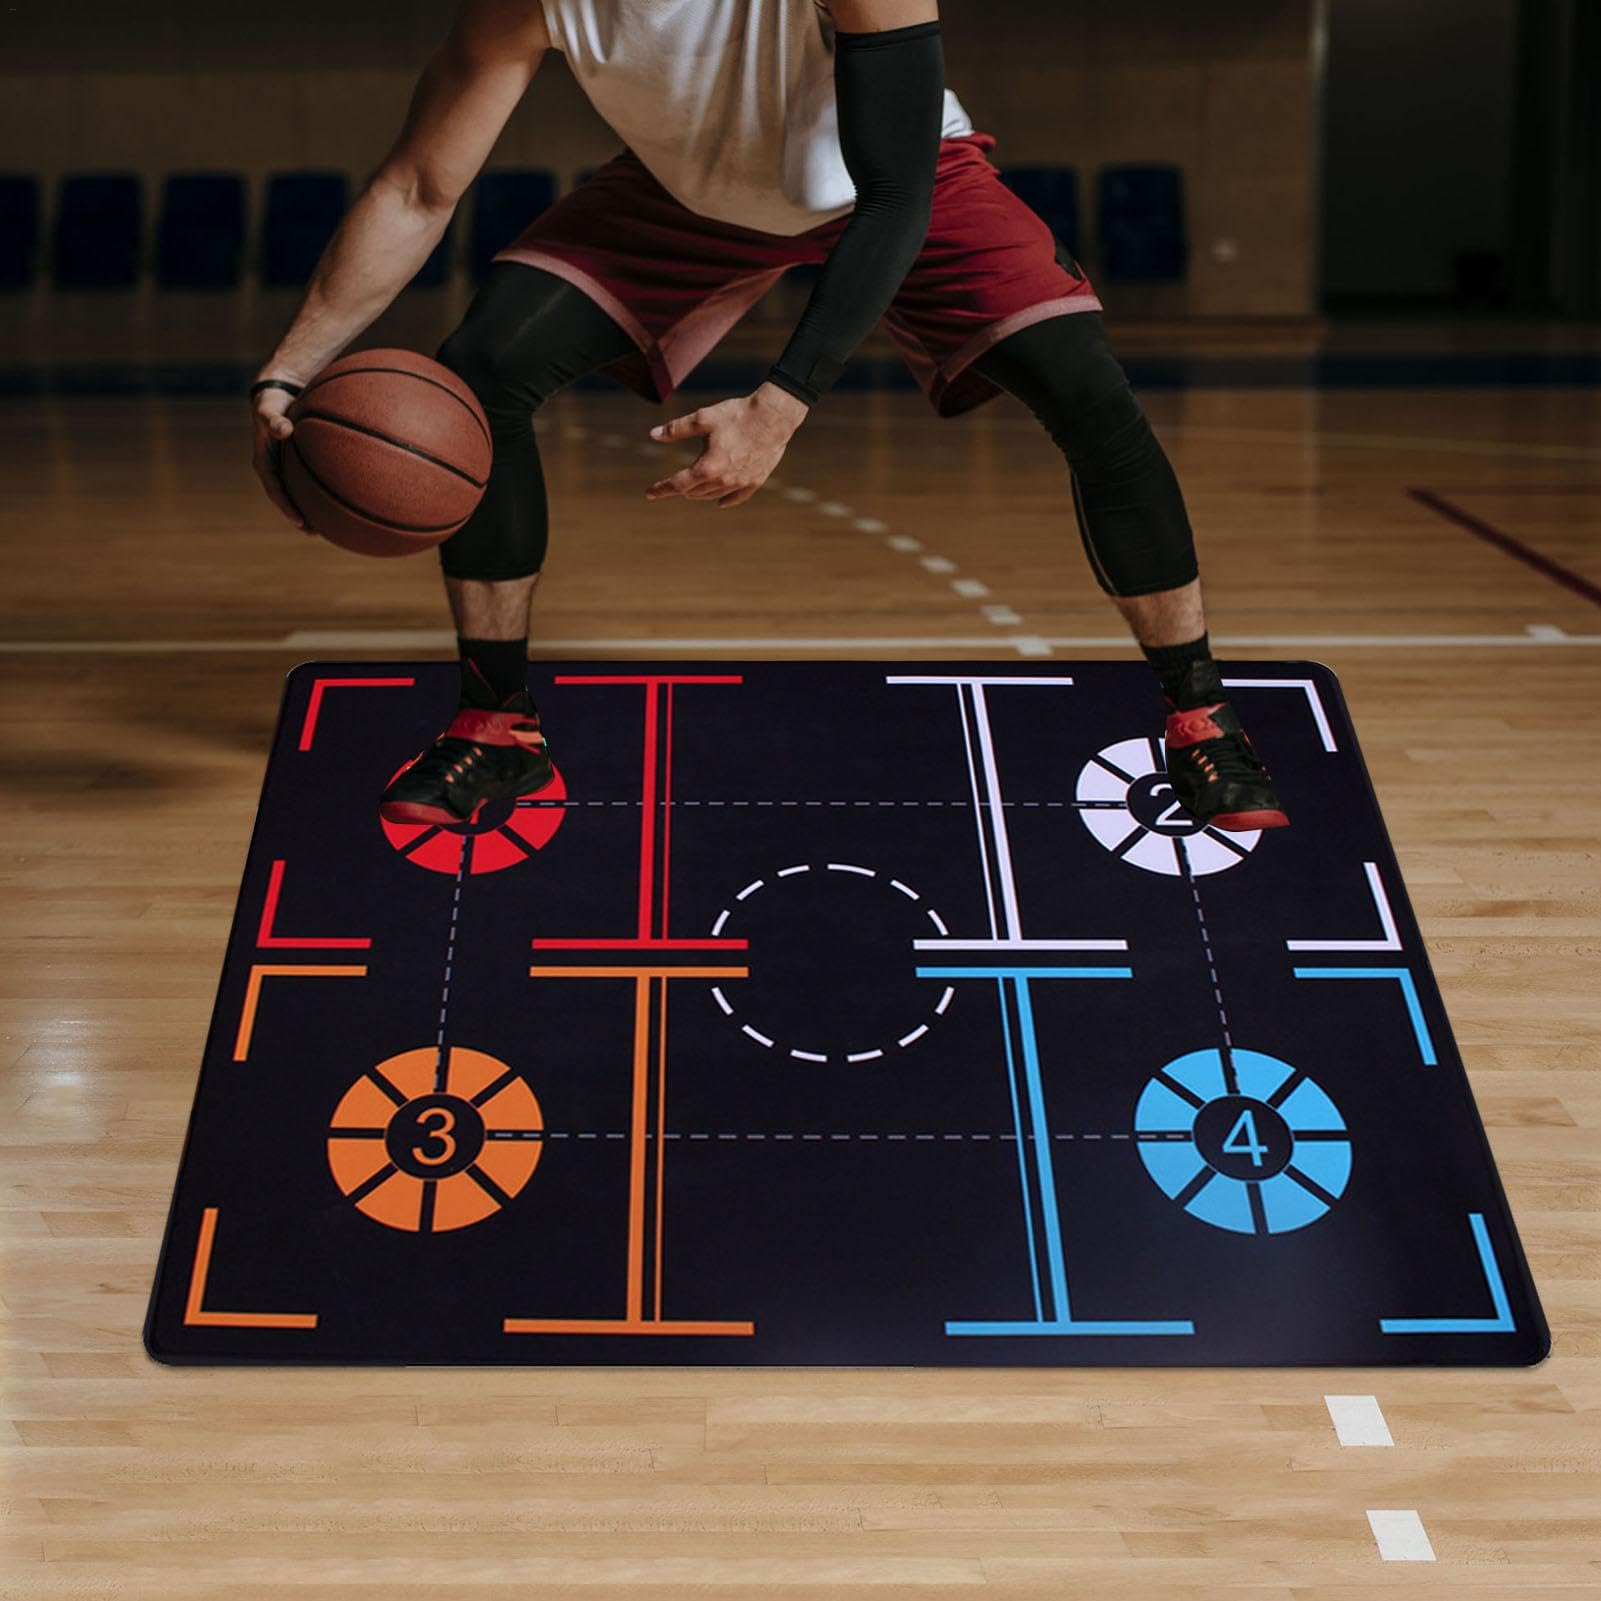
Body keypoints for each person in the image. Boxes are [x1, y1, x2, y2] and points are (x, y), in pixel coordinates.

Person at [250, 0, 1288, 832]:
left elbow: (891, 197)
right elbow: (419, 187)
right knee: (478, 370)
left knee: (1088, 393)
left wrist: (780, 402)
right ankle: (497, 721)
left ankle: (1199, 711)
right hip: (685, 200)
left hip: (907, 186)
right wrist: (291, 372)